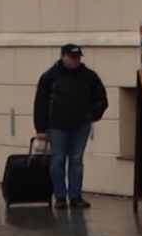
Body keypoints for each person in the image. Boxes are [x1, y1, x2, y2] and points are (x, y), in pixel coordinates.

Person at [33, 44, 108, 210]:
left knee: (76, 161)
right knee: (58, 160)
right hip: (57, 126)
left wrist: (91, 116)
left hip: (80, 125)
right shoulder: (50, 76)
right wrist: (41, 128)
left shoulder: (88, 76)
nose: (76, 60)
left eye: (78, 57)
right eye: (73, 57)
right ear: (63, 56)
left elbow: (101, 99)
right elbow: (41, 103)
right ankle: (60, 196)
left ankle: (75, 196)